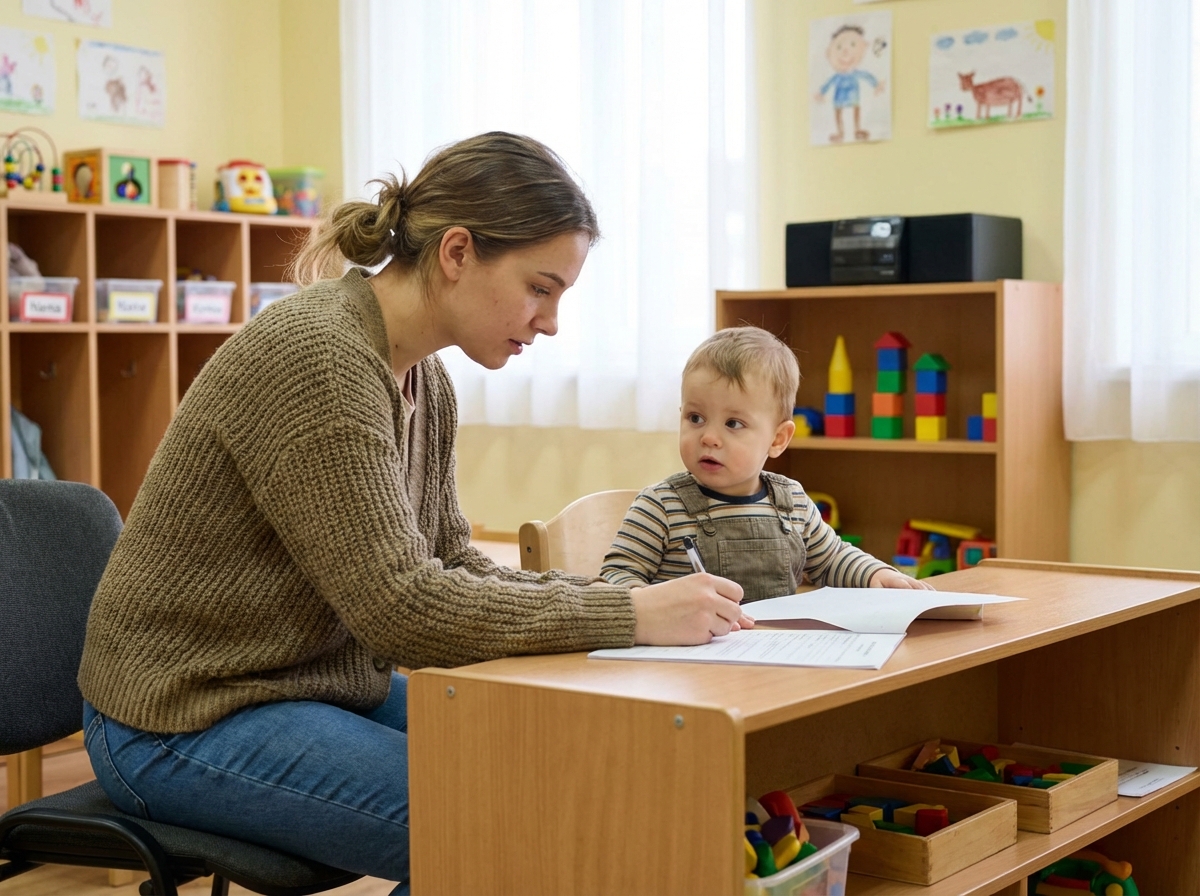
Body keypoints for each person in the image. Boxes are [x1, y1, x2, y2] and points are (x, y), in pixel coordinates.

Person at [75, 132, 750, 895]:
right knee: (507, 822)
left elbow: (450, 564)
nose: (552, 320)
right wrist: (630, 614)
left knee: (566, 769)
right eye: (541, 287)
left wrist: (626, 607)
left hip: (305, 683)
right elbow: (402, 612)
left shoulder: (427, 380)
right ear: (457, 252)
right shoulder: (319, 359)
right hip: (179, 717)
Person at [601, 326, 933, 599]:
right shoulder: (660, 506)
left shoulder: (793, 503)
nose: (709, 437)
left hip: (777, 657)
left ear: (777, 440)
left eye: (733, 424)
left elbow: (832, 559)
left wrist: (877, 574)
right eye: (695, 417)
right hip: (691, 663)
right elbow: (616, 577)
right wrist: (652, 604)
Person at [813, 23, 886, 143]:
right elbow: (829, 83)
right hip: (839, 96)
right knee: (838, 111)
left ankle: (857, 129)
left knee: (856, 108)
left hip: (853, 94)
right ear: (829, 53)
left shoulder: (855, 73)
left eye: (852, 45)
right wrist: (821, 92)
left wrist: (876, 84)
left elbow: (866, 76)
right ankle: (840, 132)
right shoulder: (837, 76)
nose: (846, 52)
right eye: (839, 47)